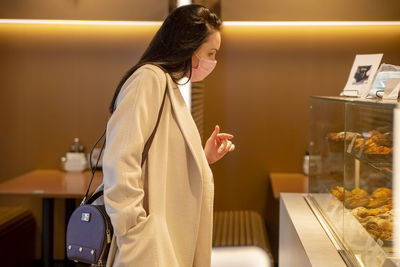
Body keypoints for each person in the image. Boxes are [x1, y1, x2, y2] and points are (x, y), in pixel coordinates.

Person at [103, 4, 235, 267]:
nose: (212, 62)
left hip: (164, 238)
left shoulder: (166, 83)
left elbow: (161, 158)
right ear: (188, 45)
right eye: (210, 53)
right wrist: (135, 231)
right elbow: (120, 159)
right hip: (149, 244)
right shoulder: (148, 79)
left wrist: (202, 157)